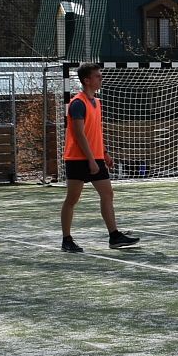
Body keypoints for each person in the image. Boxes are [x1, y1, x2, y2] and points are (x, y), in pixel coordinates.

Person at [61, 63, 138, 252]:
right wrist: (91, 160)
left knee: (107, 194)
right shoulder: (78, 103)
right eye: (97, 76)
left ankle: (114, 236)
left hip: (95, 157)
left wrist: (104, 153)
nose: (101, 78)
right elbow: (80, 135)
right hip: (78, 158)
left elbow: (95, 132)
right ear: (87, 80)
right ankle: (66, 240)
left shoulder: (96, 102)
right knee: (72, 199)